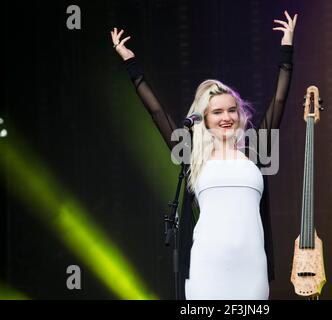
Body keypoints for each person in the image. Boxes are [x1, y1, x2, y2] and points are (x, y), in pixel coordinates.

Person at [110, 10, 298, 300]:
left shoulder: (256, 152)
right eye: (218, 112)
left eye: (232, 110)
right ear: (205, 119)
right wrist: (130, 62)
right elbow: (157, 112)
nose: (227, 117)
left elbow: (280, 99)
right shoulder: (192, 156)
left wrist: (287, 48)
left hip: (252, 268)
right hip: (207, 267)